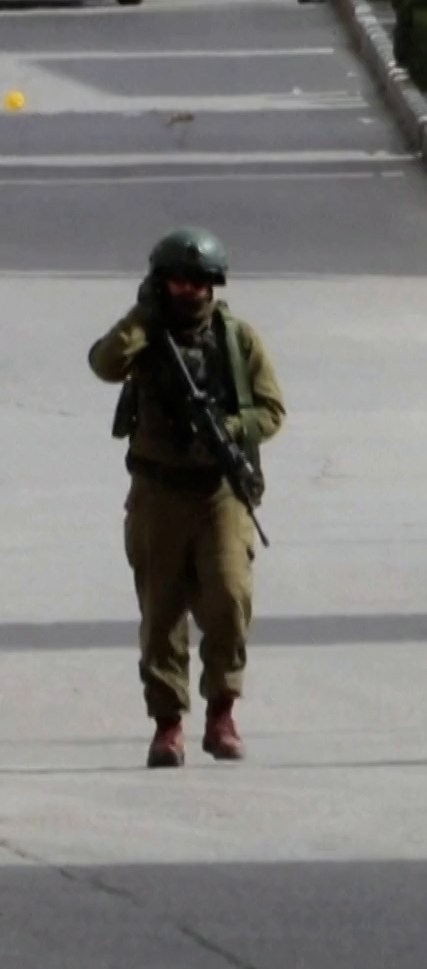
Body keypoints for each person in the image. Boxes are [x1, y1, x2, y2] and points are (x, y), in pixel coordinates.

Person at [89, 227, 286, 768]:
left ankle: (222, 712)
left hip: (219, 493)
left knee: (228, 597)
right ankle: (168, 724)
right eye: (176, 280)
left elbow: (272, 409)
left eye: (198, 280)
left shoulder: (237, 339)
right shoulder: (146, 337)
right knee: (161, 611)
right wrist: (141, 319)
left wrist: (225, 425)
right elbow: (104, 364)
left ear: (213, 284)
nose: (187, 290)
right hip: (157, 492)